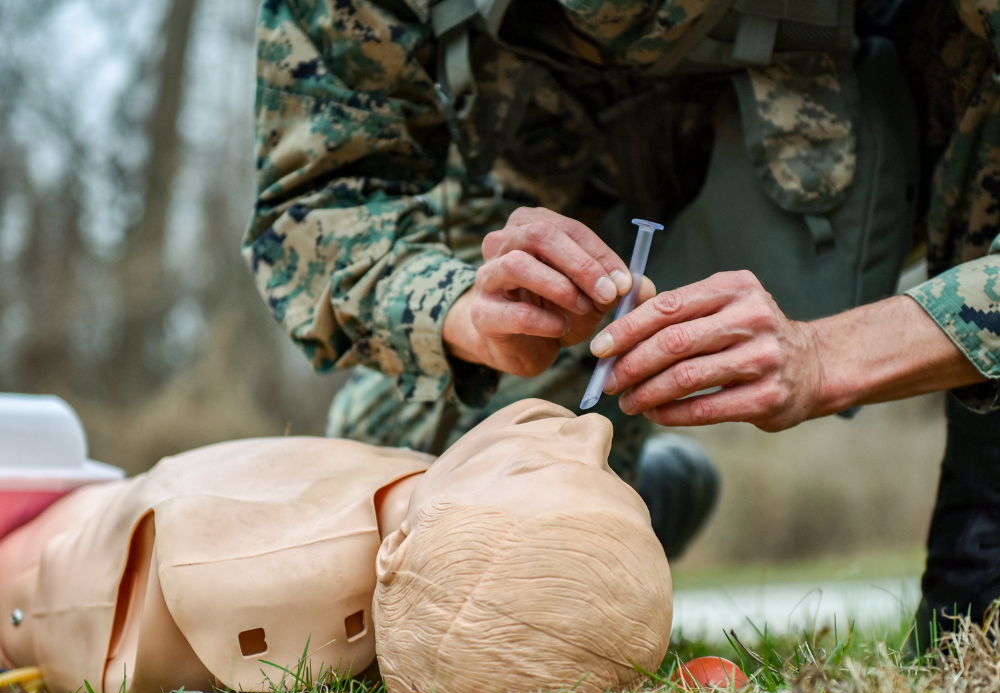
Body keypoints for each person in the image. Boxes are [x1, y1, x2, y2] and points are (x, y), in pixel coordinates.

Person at [243, 0, 1000, 637]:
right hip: (548, 185)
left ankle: (982, 552)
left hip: (857, 154)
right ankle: (625, 507)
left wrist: (830, 356)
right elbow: (317, 205)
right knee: (385, 587)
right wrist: (461, 309)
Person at [0, 400, 672, 693]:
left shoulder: (264, 561)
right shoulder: (416, 561)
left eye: (532, 466)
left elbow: (114, 550)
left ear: (402, 552)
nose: (593, 428)